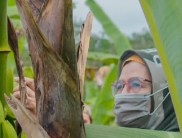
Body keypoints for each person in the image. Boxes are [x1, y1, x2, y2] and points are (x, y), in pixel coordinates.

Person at [14, 48, 178, 131]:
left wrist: (50, 119)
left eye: (136, 84)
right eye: (119, 86)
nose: (123, 94)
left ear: (166, 93)